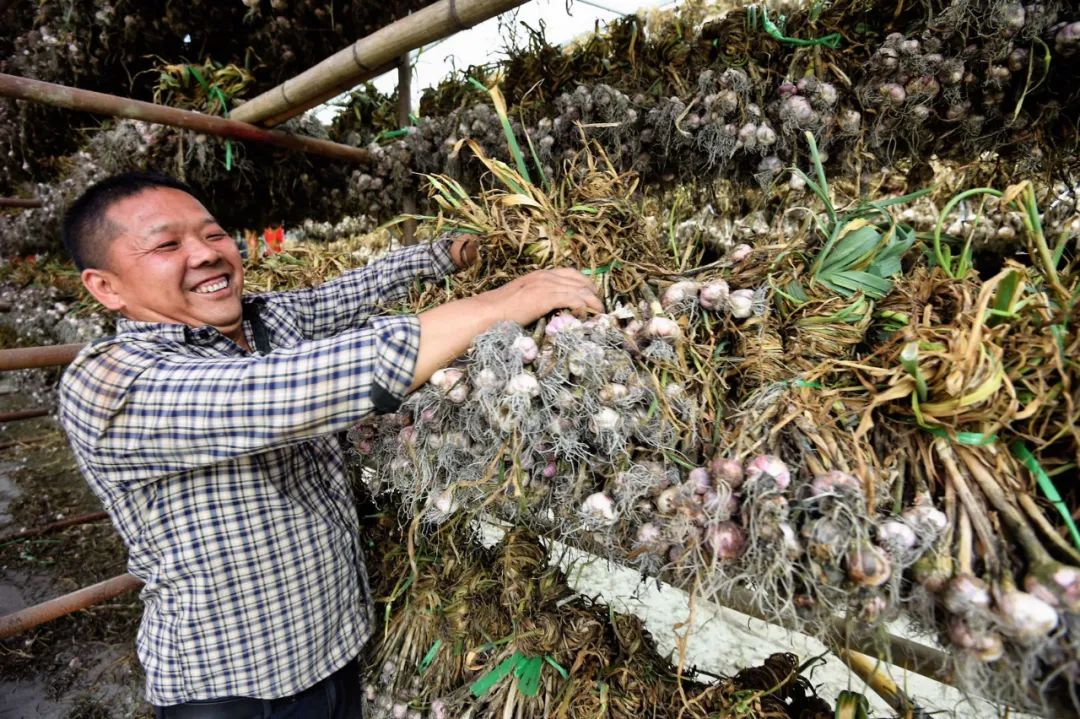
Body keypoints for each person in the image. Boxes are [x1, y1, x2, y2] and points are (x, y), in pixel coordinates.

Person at [57, 172, 602, 718]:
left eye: (213, 234)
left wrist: (448, 254)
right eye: (167, 245)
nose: (204, 255)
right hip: (234, 685)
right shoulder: (113, 385)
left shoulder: (268, 318)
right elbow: (288, 392)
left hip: (337, 650)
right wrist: (505, 301)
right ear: (107, 287)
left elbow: (357, 289)